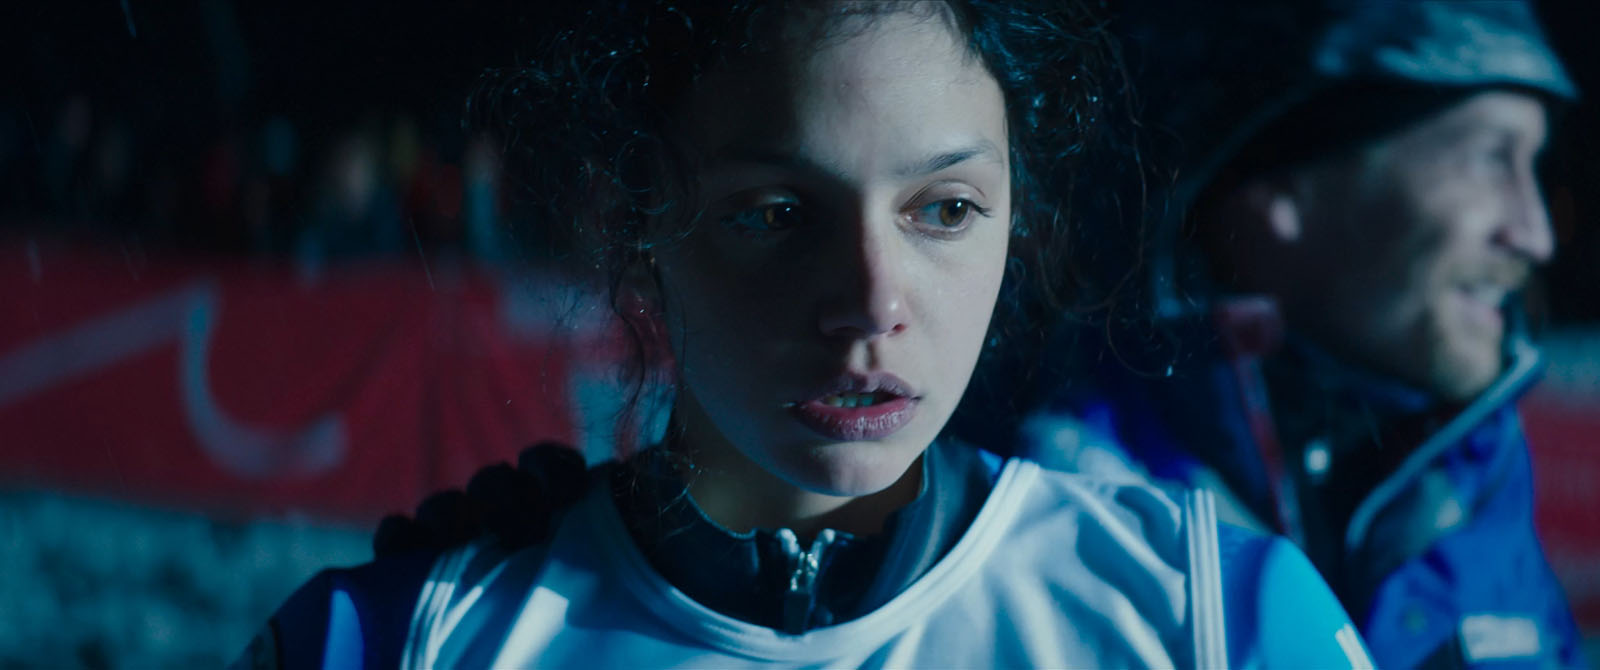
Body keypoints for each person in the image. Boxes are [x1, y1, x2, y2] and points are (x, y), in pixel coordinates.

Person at [236, 2, 1373, 668]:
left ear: (1016, 213)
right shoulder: (398, 639)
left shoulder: (1213, 621)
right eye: (777, 215)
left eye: (943, 210)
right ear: (637, 220)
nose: (872, 301)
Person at [1017, 2, 1586, 668]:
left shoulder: (1477, 465)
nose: (1536, 236)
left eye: (1532, 164)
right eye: (1489, 159)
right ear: (1286, 186)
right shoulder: (1064, 497)